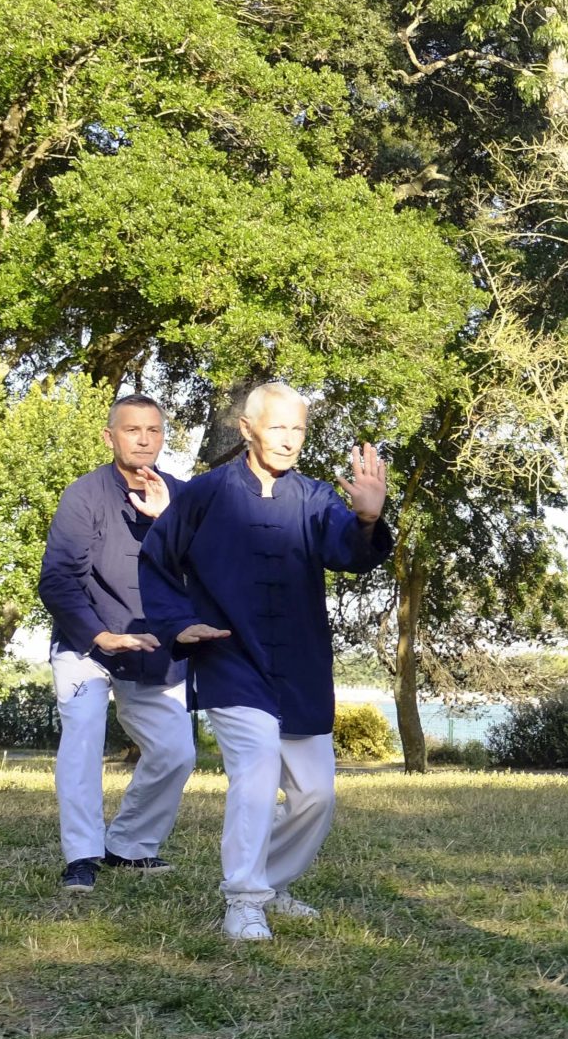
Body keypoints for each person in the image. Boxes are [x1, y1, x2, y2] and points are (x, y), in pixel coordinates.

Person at [139, 383, 393, 942]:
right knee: (254, 773)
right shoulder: (205, 494)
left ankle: (272, 882)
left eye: (298, 429)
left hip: (300, 666)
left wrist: (367, 520)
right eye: (278, 427)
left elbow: (348, 553)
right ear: (247, 429)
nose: (289, 439)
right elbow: (157, 559)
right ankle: (244, 899)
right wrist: (179, 623)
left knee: (316, 795)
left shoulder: (316, 497)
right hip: (230, 658)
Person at [38, 395, 197, 894]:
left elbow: (204, 568)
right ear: (110, 437)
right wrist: (99, 636)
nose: (145, 439)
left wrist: (169, 520)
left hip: (153, 647)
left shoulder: (182, 496)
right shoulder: (83, 496)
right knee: (83, 740)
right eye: (132, 430)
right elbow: (57, 579)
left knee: (176, 753)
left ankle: (129, 844)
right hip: (86, 645)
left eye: (154, 430)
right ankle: (81, 855)